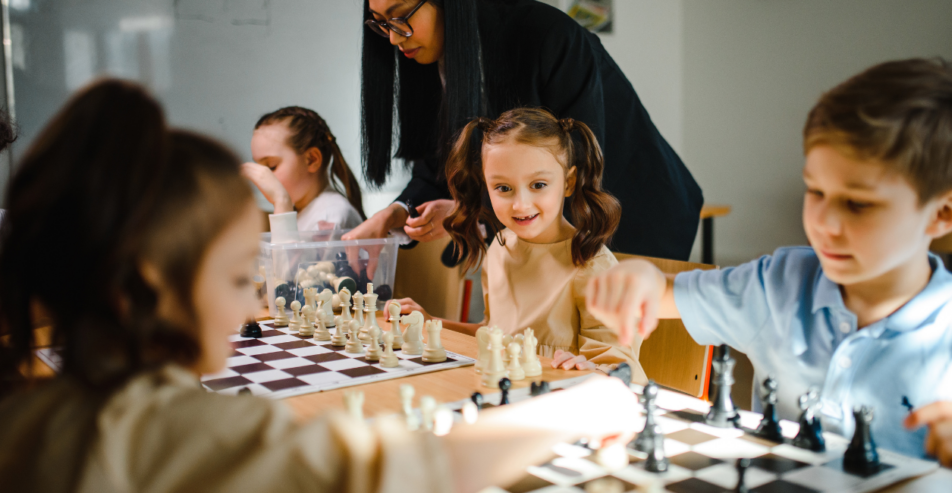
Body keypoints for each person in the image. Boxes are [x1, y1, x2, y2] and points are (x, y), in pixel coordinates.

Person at [0, 80, 639, 493]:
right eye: (235, 275)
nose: (255, 300)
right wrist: (582, 408)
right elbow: (399, 470)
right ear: (141, 290)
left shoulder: (30, 415)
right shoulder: (175, 431)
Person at [583, 59, 952, 491]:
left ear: (943, 213)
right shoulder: (778, 284)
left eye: (858, 203)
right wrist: (640, 279)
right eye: (815, 191)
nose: (823, 222)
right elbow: (663, 294)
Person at [344, 0, 703, 263]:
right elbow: (435, 167)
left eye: (401, 17)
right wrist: (398, 212)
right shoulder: (424, 57)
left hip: (630, 214)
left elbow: (570, 171)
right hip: (554, 226)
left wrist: (467, 211)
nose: (393, 39)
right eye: (380, 23)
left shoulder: (545, 36)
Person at [394, 108, 645, 382]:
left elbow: (620, 368)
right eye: (503, 188)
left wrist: (591, 368)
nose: (520, 204)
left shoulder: (592, 265)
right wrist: (431, 320)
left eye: (538, 184)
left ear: (569, 182)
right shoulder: (499, 249)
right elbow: (492, 333)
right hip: (506, 394)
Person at [242, 106, 365, 233]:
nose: (263, 178)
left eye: (272, 166)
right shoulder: (302, 211)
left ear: (312, 160)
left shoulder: (331, 217)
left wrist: (281, 200)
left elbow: (285, 254)